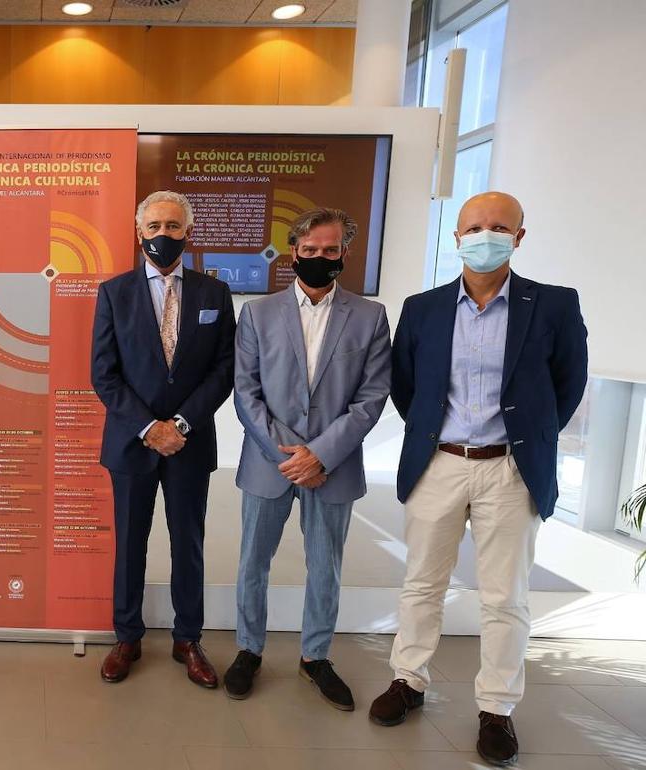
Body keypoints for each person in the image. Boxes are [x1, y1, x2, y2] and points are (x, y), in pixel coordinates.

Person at [369, 192, 588, 766]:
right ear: (457, 237)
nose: (484, 236)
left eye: (498, 227)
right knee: (421, 584)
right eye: (473, 227)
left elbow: (567, 387)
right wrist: (434, 440)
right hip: (438, 463)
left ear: (518, 237)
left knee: (505, 598)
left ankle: (497, 709)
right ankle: (408, 682)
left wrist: (525, 440)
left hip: (510, 469)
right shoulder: (423, 308)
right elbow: (407, 387)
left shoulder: (555, 306)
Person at [225, 208, 391, 710]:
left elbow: (372, 397)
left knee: (326, 567)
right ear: (293, 250)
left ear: (345, 252)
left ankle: (315, 656)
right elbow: (245, 392)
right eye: (311, 250)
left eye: (331, 250)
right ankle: (249, 650)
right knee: (253, 562)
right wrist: (290, 455)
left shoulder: (370, 316)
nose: (320, 257)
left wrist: (319, 455)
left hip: (332, 467)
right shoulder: (256, 313)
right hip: (268, 462)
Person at [91, 190, 236, 687]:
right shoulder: (114, 292)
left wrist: (182, 426)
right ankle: (126, 636)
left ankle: (187, 639)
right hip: (133, 442)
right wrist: (150, 427)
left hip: (190, 444)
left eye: (173, 227)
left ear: (188, 233)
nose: (163, 236)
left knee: (188, 542)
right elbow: (104, 374)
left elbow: (223, 370)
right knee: (129, 543)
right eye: (153, 226)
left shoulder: (214, 294)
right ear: (139, 232)